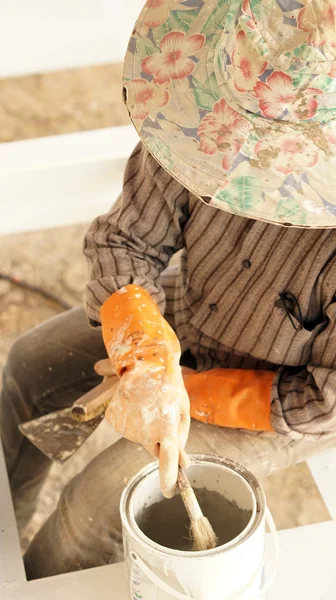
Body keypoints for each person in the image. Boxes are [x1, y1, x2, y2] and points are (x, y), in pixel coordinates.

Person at [1, 0, 336, 580]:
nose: (239, 165)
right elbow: (123, 240)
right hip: (183, 307)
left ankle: (44, 583)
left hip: (280, 397)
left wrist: (190, 393)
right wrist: (146, 355)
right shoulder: (202, 120)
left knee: (94, 505)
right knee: (30, 366)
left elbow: (324, 397)